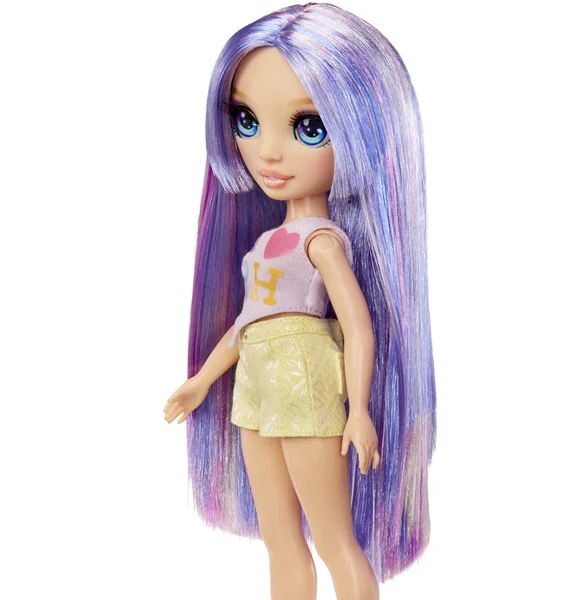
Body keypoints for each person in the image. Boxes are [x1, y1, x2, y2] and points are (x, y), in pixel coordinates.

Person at [163, 4, 436, 599]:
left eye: (310, 126)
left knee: (334, 539)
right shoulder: (264, 244)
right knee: (280, 539)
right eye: (246, 120)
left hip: (306, 381)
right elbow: (246, 323)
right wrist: (202, 381)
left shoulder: (321, 240)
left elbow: (358, 328)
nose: (268, 152)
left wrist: (359, 410)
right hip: (255, 387)